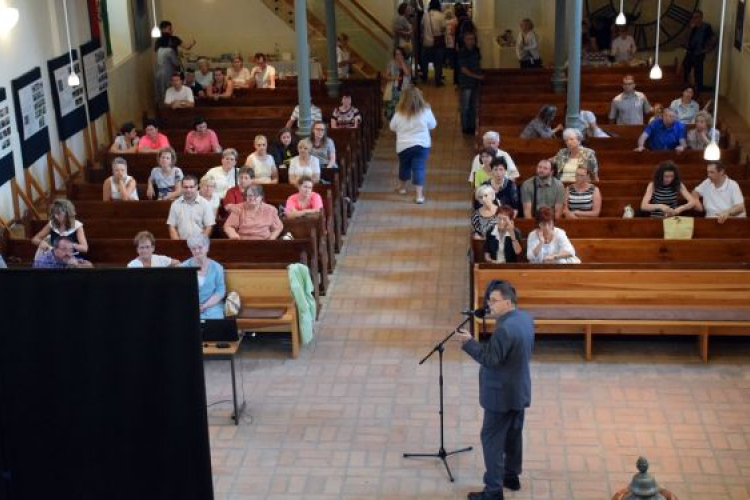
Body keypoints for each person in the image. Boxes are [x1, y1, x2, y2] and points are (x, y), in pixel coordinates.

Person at [455, 280, 534, 500]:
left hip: (500, 395)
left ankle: (493, 491)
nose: (490, 305)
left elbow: (490, 360)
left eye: (494, 301)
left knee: (491, 439)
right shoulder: (525, 319)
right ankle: (511, 476)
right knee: (513, 435)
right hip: (519, 389)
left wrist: (469, 343)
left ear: (507, 302)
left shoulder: (504, 330)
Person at [389, 85, 436, 204]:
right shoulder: (426, 111)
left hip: (403, 145)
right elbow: (433, 125)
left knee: (404, 166)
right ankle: (419, 196)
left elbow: (392, 127)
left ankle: (402, 188)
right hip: (422, 145)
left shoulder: (399, 112)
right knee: (418, 168)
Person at [181, 234, 226, 320]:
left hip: (212, 307)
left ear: (207, 248)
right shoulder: (183, 267)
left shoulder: (217, 267)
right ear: (190, 250)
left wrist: (205, 306)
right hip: (189, 307)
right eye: (193, 248)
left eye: (200, 247)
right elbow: (180, 291)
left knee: (214, 322)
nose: (197, 251)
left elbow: (220, 291)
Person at [167, 175, 216, 239]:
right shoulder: (175, 204)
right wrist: (177, 243)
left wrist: (199, 242)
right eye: (186, 187)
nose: (188, 190)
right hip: (181, 242)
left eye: (191, 187)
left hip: (200, 244)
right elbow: (172, 226)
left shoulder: (205, 204)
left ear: (196, 187)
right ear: (182, 187)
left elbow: (209, 227)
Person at [682, 10, 715, 93]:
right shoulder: (690, 27)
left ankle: (699, 89)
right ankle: (685, 88)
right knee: (686, 69)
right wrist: (690, 28)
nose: (694, 19)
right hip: (690, 53)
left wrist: (706, 49)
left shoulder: (706, 27)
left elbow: (713, 38)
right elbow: (685, 38)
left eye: (696, 17)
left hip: (699, 53)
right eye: (693, 17)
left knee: (698, 73)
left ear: (701, 17)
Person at [458, 31, 484, 135]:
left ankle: (472, 127)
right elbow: (463, 69)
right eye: (468, 39)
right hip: (466, 83)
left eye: (472, 39)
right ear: (464, 40)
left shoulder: (476, 50)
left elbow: (478, 63)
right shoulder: (462, 52)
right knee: (465, 106)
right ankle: (465, 127)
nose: (471, 41)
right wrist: (477, 76)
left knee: (474, 106)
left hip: (475, 83)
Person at [421, 0, 446, 86]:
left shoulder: (425, 15)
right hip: (438, 43)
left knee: (424, 61)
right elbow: (443, 29)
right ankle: (437, 80)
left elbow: (422, 27)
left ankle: (424, 76)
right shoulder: (441, 16)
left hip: (426, 42)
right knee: (438, 62)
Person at [384, 46, 412, 121]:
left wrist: (402, 62)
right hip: (393, 88)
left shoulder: (407, 63)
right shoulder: (391, 63)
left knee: (404, 106)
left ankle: (403, 121)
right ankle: (393, 121)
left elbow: (407, 73)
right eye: (396, 54)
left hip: (405, 88)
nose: (398, 56)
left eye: (399, 54)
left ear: (403, 55)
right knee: (393, 107)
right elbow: (386, 76)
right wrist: (395, 78)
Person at [154, 35, 180, 99]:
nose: (170, 42)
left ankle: (160, 106)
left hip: (159, 73)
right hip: (168, 73)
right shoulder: (170, 50)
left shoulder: (159, 49)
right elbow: (176, 63)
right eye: (170, 41)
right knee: (168, 91)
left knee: (160, 91)